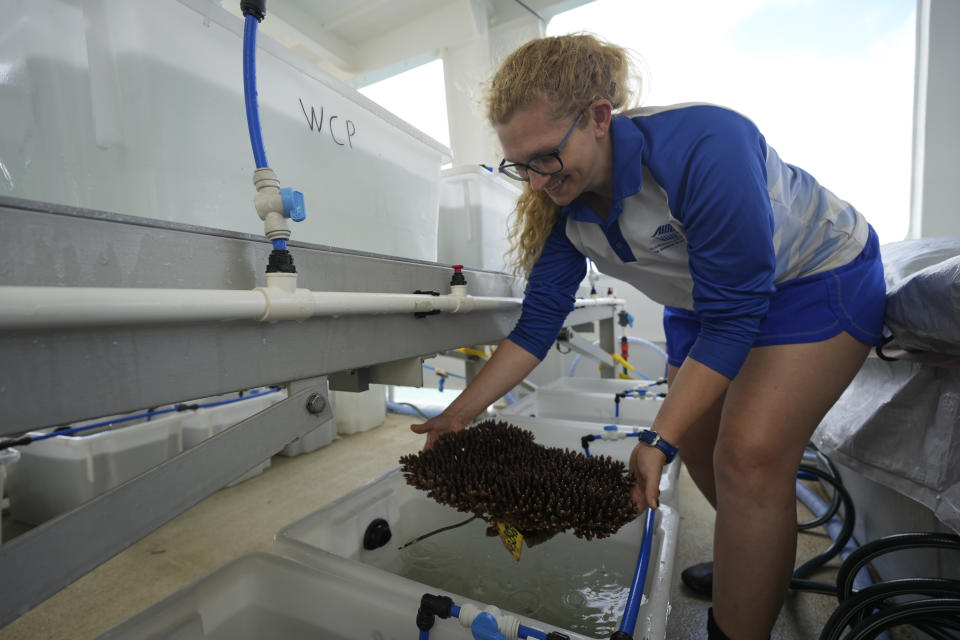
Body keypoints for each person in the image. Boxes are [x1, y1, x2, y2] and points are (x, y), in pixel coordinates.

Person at [412, 33, 885, 640]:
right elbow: (536, 326)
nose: (534, 181)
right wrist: (457, 415)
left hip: (815, 277)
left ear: (600, 117)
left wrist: (654, 439)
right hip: (704, 300)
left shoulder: (705, 145)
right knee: (711, 465)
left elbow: (738, 313)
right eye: (519, 164)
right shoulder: (561, 201)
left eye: (545, 157)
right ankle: (752, 558)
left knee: (748, 460)